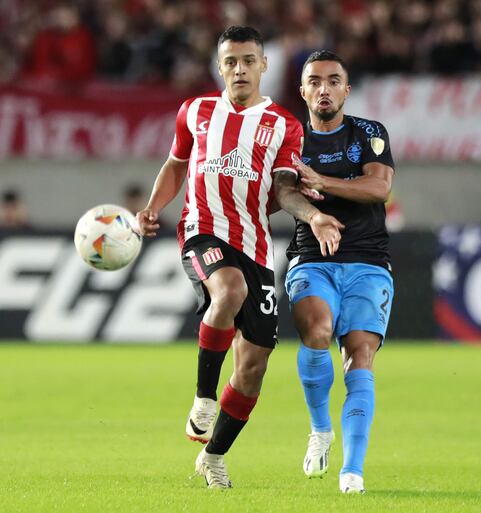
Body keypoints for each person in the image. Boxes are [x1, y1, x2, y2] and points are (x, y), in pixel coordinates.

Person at [136, 27, 343, 489]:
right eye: (231, 61)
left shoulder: (285, 126)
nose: (240, 69)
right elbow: (176, 164)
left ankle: (213, 456)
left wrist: (311, 215)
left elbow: (286, 190)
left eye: (249, 60)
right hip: (201, 231)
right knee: (229, 289)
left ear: (264, 65)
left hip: (254, 245)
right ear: (220, 65)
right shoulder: (196, 111)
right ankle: (203, 398)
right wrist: (153, 207)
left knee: (253, 368)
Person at [285, 50, 395, 494]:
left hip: (369, 262)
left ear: (346, 90)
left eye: (334, 81)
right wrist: (315, 216)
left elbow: (380, 187)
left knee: (358, 358)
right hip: (313, 257)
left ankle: (353, 470)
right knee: (316, 331)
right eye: (315, 81)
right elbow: (283, 192)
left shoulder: (370, 132)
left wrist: (324, 183)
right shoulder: (289, 139)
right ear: (303, 90)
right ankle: (319, 428)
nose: (324, 89)